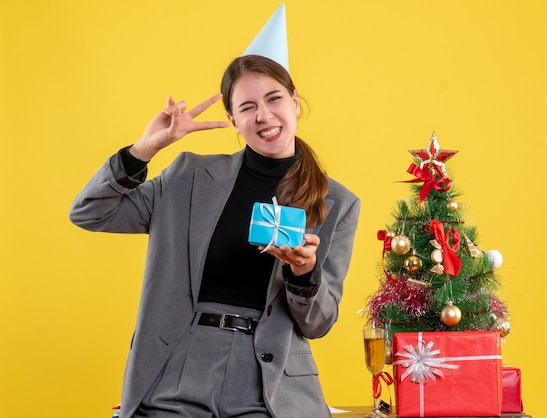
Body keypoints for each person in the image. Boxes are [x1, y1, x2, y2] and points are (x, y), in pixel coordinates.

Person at [69, 54, 360, 418]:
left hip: (268, 381)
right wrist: (146, 147)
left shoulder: (339, 203)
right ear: (233, 121)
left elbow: (317, 324)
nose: (264, 116)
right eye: (248, 106)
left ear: (295, 102)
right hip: (176, 366)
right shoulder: (188, 177)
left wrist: (304, 275)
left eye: (274, 99)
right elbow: (90, 212)